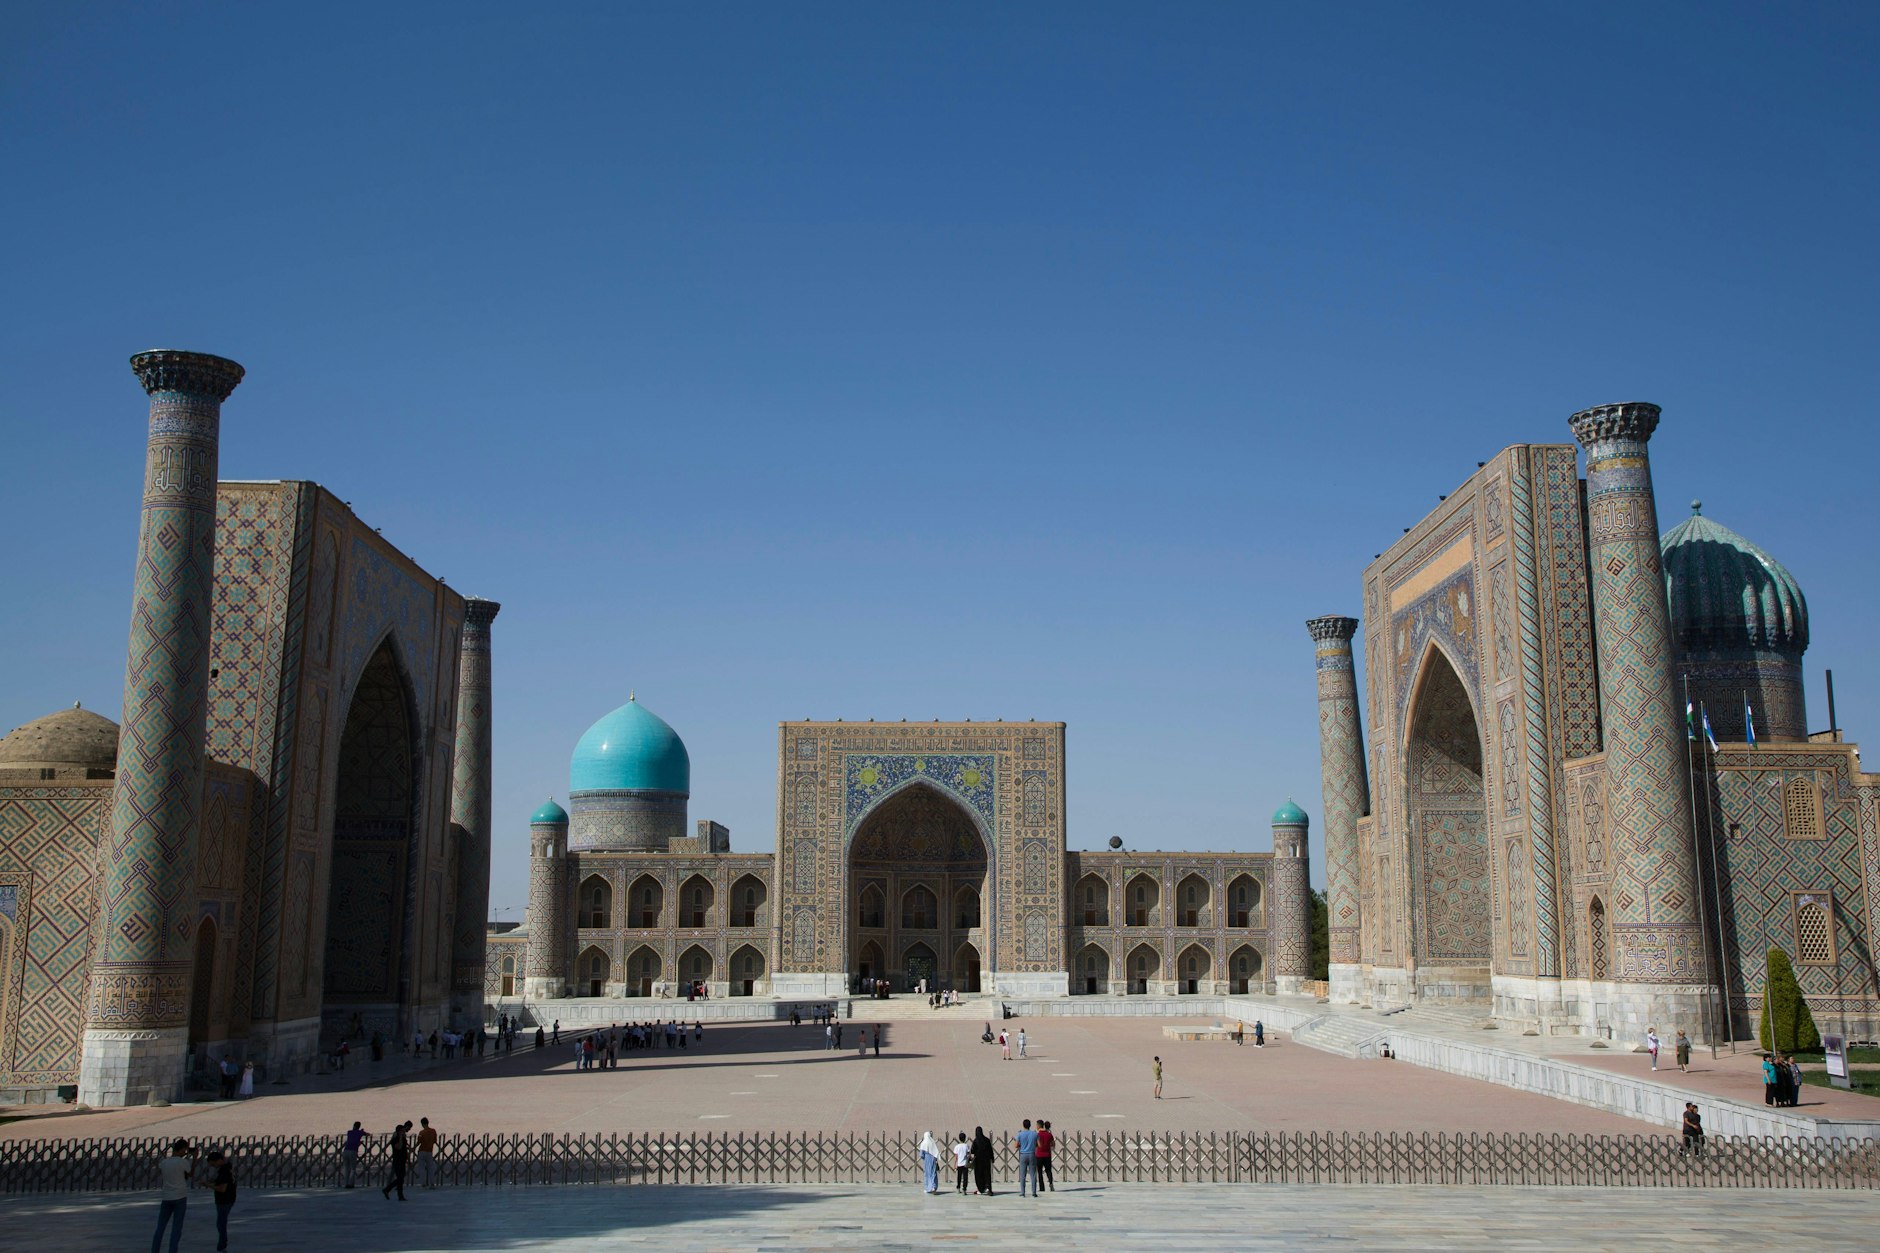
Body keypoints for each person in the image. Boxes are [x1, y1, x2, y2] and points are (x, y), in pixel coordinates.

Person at [151, 1138, 197, 1253]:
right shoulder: (183, 1162)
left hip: (166, 1197)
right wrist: (195, 1158)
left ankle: (154, 1250)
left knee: (160, 1227)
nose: (186, 1152)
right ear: (181, 1149)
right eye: (185, 1150)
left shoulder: (164, 1162)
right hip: (180, 1197)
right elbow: (190, 1174)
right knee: (176, 1228)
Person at [205, 1148, 237, 1251]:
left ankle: (222, 1246)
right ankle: (222, 1245)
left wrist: (208, 1185)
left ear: (218, 1160)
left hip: (224, 1200)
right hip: (229, 1198)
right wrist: (214, 1181)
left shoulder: (224, 1171)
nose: (213, 1167)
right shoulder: (228, 1168)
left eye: (213, 1164)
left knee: (221, 1224)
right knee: (221, 1223)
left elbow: (222, 1188)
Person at [382, 1121, 411, 1201]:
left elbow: (405, 1150)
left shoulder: (404, 1139)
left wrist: (408, 1159)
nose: (403, 1132)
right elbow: (399, 1147)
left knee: (401, 1178)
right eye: (401, 1131)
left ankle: (392, 1191)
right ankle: (393, 1192)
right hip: (397, 1160)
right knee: (400, 1178)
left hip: (403, 1160)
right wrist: (401, 1138)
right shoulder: (395, 1139)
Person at [1012, 1118, 1039, 1197]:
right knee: (1033, 1174)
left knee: (1022, 1175)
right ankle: (1034, 1192)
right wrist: (1034, 1145)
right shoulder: (1034, 1134)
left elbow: (1016, 1145)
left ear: (1023, 1125)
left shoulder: (1020, 1134)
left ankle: (1023, 1192)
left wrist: (1022, 1146)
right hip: (1032, 1154)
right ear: (1030, 1125)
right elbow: (1039, 1145)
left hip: (1023, 1155)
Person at [970, 1125, 995, 1196]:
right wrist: (992, 1158)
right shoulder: (987, 1140)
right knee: (987, 1174)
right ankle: (989, 1189)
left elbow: (972, 1151)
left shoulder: (975, 1141)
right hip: (986, 1160)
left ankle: (981, 1189)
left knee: (979, 1175)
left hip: (978, 1161)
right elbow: (990, 1150)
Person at [415, 1117, 439, 1188]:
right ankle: (432, 1183)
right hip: (429, 1151)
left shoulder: (421, 1132)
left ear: (422, 1124)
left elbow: (419, 1142)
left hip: (421, 1151)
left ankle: (423, 1183)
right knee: (431, 1168)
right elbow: (435, 1141)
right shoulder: (433, 1131)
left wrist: (413, 1148)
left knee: (421, 1168)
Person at [341, 1121, 366, 1188]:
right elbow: (366, 1134)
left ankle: (346, 1183)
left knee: (346, 1168)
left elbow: (353, 1135)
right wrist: (362, 1132)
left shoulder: (349, 1132)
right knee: (353, 1168)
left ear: (354, 1126)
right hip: (353, 1151)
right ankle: (350, 1183)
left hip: (346, 1150)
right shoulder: (360, 1132)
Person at [917, 1130, 942, 1194]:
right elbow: (936, 1152)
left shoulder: (923, 1143)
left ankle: (927, 1188)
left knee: (927, 1174)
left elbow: (921, 1155)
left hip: (927, 1160)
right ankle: (934, 1187)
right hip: (933, 1159)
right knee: (933, 1173)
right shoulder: (932, 1142)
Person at [1034, 1120, 1055, 1192]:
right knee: (1048, 1170)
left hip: (1039, 1155)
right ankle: (1051, 1183)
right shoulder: (1049, 1134)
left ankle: (1042, 1187)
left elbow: (1035, 1144)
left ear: (1038, 1126)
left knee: (1039, 1172)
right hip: (1047, 1155)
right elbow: (1052, 1144)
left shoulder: (1037, 1134)